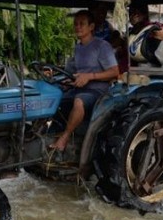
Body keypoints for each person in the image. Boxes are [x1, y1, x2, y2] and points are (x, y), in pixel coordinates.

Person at [50, 10, 119, 151]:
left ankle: (65, 137)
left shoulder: (102, 46)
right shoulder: (78, 48)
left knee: (79, 101)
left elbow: (115, 72)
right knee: (54, 98)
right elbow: (70, 72)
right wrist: (59, 78)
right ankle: (47, 135)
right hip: (79, 88)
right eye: (76, 24)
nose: (78, 27)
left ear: (91, 27)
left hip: (98, 91)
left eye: (82, 24)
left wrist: (89, 76)